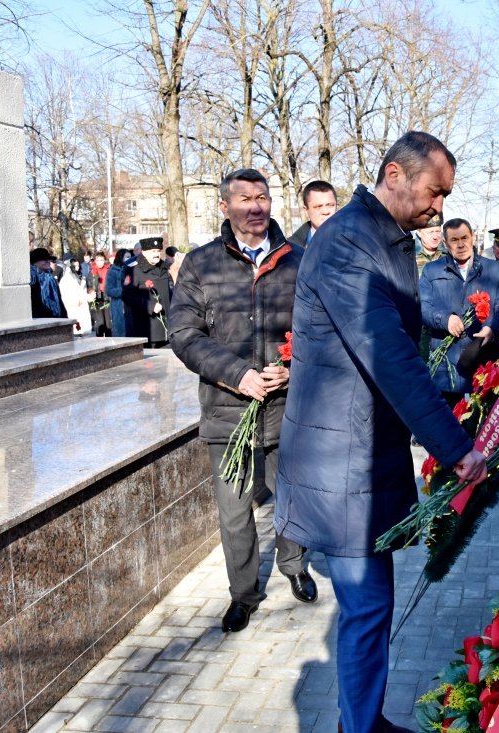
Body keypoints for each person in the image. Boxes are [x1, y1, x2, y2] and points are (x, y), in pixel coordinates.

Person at [273, 131, 487, 733]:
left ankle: (363, 721)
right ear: (395, 173)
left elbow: (400, 335)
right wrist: (456, 448)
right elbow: (388, 354)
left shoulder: (382, 239)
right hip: (338, 462)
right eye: (434, 190)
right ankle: (358, 728)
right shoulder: (348, 241)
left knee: (374, 607)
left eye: (445, 196)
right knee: (367, 609)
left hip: (361, 456)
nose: (440, 206)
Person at [169, 168, 317, 634]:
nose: (256, 207)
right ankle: (244, 593)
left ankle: (294, 566)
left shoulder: (299, 260)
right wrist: (238, 376)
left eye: (263, 198)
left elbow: (323, 328)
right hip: (227, 414)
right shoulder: (201, 264)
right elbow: (183, 334)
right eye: (245, 199)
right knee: (235, 515)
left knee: (292, 501)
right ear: (225, 207)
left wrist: (294, 368)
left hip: (287, 408)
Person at [421, 218, 499, 405]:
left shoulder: (493, 269)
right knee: (448, 426)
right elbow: (422, 308)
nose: (461, 244)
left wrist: (492, 329)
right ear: (445, 243)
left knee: (483, 426)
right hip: (447, 365)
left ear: (473, 237)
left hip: (484, 360)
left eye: (465, 237)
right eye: (454, 240)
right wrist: (444, 319)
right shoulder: (431, 271)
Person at [122, 237, 172, 347]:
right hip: (148, 331)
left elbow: (171, 293)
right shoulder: (135, 270)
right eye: (153, 251)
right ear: (144, 252)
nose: (156, 254)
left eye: (158, 251)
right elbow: (127, 296)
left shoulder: (164, 269)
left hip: (169, 331)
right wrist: (150, 306)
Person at [414, 212, 444, 363]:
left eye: (438, 231)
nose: (435, 236)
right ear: (419, 232)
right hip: (418, 328)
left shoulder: (449, 257)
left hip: (444, 327)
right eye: (430, 231)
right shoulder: (409, 256)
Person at [286, 180, 337, 249]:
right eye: (318, 207)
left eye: (330, 205)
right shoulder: (289, 250)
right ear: (306, 210)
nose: (325, 212)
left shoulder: (353, 242)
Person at [29, 247, 68, 319]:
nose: (48, 261)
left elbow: (59, 299)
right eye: (44, 259)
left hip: (56, 318)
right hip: (40, 319)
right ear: (35, 261)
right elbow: (34, 302)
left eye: (49, 259)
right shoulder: (32, 278)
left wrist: (64, 315)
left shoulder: (50, 278)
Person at [60, 258, 92, 336]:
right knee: (77, 331)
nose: (77, 267)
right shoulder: (65, 280)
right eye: (75, 266)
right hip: (73, 309)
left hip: (83, 308)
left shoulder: (80, 277)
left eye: (78, 265)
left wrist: (89, 297)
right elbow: (64, 296)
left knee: (84, 332)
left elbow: (83, 292)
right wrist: (76, 302)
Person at [106, 249, 130, 337]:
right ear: (121, 258)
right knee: (120, 333)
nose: (129, 259)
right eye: (127, 257)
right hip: (118, 307)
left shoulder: (131, 270)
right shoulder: (112, 271)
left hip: (130, 306)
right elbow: (108, 290)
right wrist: (123, 291)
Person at [89, 252, 113, 337]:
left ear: (105, 260)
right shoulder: (92, 272)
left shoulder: (109, 270)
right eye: (98, 260)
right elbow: (89, 285)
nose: (99, 262)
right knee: (100, 323)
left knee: (108, 323)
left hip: (107, 298)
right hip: (97, 299)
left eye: (101, 260)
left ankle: (109, 340)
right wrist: (91, 291)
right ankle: (99, 340)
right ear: (95, 261)